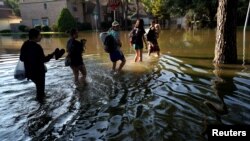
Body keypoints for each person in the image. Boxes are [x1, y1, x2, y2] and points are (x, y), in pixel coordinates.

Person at [20, 28, 64, 102]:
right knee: (41, 92)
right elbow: (44, 59)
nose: (41, 37)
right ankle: (42, 108)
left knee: (39, 89)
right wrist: (53, 54)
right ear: (34, 37)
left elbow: (22, 58)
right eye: (39, 35)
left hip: (29, 73)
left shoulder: (25, 44)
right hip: (39, 73)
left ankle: (40, 102)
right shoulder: (37, 47)